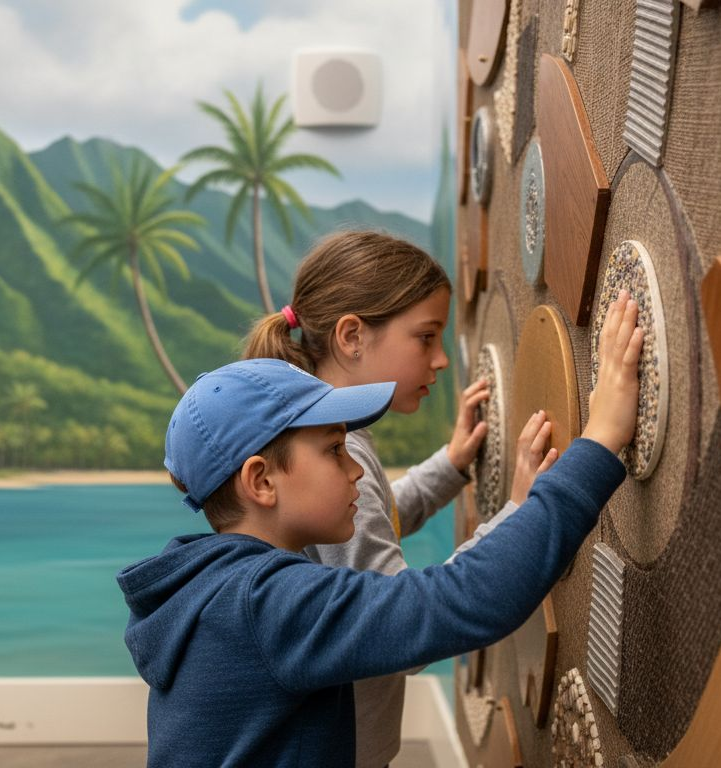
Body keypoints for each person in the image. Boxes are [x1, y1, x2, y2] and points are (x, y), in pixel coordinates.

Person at [118, 291, 642, 767]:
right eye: (333, 450)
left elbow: (387, 518)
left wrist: (469, 478)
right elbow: (464, 601)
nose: (356, 471)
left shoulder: (222, 585)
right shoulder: (270, 603)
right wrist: (599, 441)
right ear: (261, 480)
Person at [241, 229, 558, 766]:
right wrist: (518, 515)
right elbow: (401, 625)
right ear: (352, 336)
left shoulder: (327, 440)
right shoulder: (346, 455)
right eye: (426, 337)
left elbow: (367, 526)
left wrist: (451, 465)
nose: (439, 361)